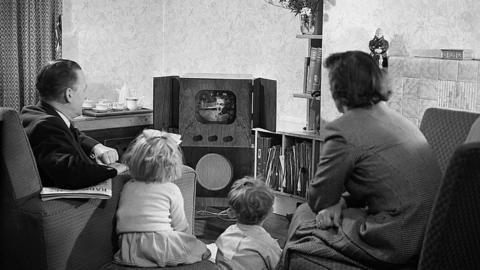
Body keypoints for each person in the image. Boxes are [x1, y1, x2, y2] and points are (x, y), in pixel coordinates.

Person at [280, 51, 441, 269]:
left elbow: (319, 200)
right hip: (431, 234)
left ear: (338, 90)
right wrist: (342, 201)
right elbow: (381, 182)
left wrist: (333, 202)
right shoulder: (398, 119)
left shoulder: (342, 130)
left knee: (303, 215)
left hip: (394, 238)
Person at [21, 59, 128, 189]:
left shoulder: (34, 113)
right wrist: (114, 169)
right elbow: (71, 173)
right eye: (83, 90)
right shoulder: (47, 125)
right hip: (68, 202)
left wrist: (97, 147)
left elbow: (73, 134)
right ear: (69, 94)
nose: (85, 96)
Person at [114, 130, 209, 267]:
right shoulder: (171, 189)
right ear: (173, 166)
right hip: (160, 245)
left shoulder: (128, 186)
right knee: (198, 247)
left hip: (128, 247)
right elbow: (180, 224)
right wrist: (185, 239)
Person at [214, 177, 282, 270]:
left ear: (232, 212)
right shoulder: (268, 244)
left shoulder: (226, 234)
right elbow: (280, 265)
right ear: (269, 212)